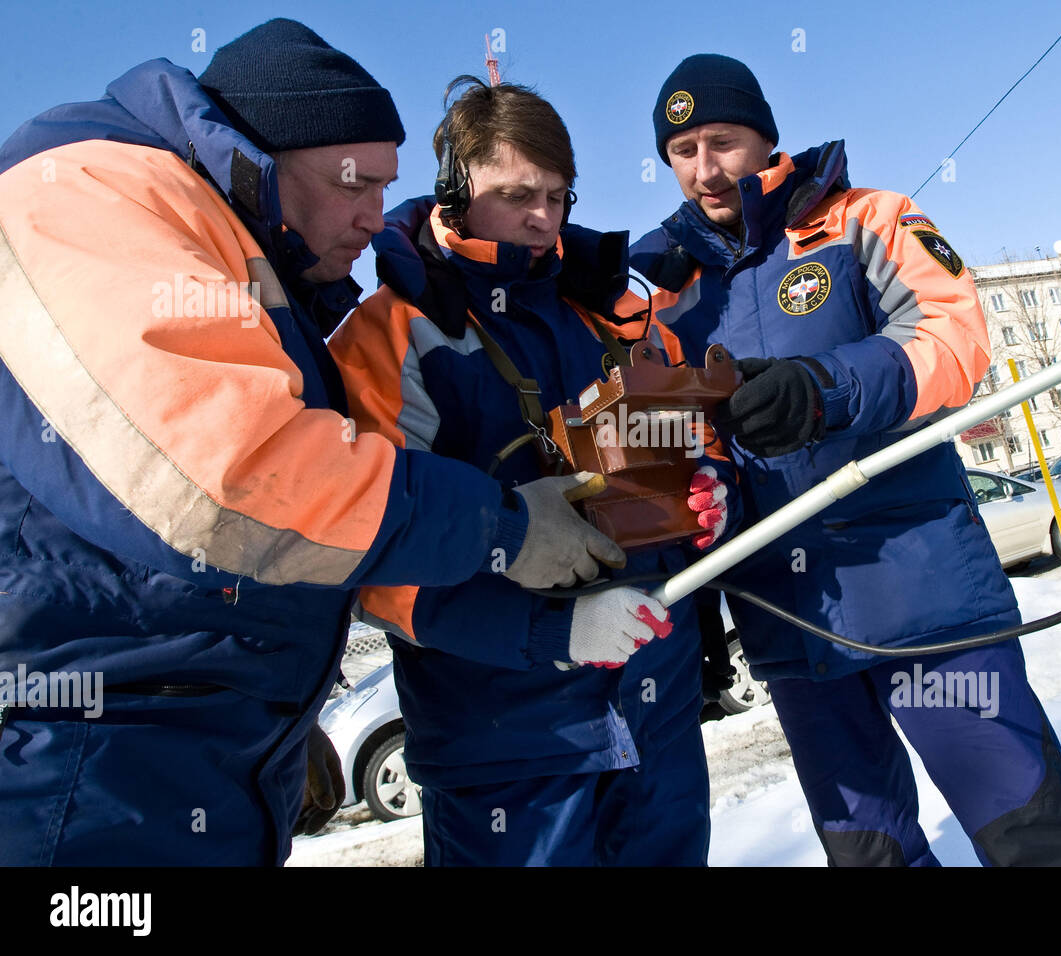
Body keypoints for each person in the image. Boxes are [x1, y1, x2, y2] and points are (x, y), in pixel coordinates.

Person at [0, 20, 622, 866]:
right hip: (83, 760)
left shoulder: (249, 263)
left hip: (186, 745)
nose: (374, 215)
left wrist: (288, 708)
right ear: (256, 154)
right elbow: (232, 474)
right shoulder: (94, 188)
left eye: (384, 186)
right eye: (353, 182)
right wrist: (504, 529)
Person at [630, 54, 1061, 866]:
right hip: (789, 622)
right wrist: (703, 484)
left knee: (1033, 831)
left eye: (723, 141)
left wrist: (824, 388)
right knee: (868, 856)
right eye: (682, 151)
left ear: (766, 138)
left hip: (922, 599)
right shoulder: (667, 292)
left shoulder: (865, 219)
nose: (705, 169)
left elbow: (955, 341)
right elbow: (678, 439)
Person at [329, 77, 734, 866]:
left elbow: (698, 437)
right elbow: (369, 554)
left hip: (657, 719)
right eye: (516, 194)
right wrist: (553, 631)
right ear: (453, 190)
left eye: (558, 194)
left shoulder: (614, 310)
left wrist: (707, 493)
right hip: (505, 750)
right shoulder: (388, 337)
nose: (544, 217)